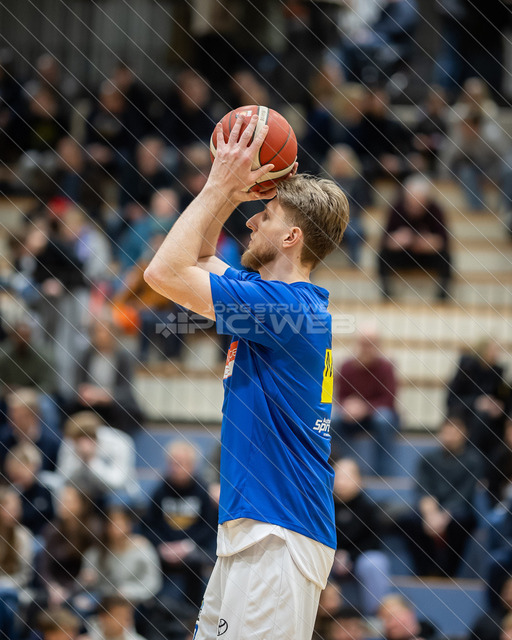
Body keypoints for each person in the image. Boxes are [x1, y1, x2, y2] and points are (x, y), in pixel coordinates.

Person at [143, 114, 349, 638]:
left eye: (267, 214)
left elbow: (163, 273)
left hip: (278, 533)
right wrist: (230, 192)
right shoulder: (280, 303)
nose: (251, 222)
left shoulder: (287, 310)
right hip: (259, 530)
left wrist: (219, 185)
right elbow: (200, 255)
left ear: (292, 237)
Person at [396, 415, 481, 577]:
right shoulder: (429, 458)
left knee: (460, 521)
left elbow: (465, 493)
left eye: (455, 431)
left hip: (457, 510)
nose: (450, 436)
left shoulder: (474, 460)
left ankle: (447, 572)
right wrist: (430, 514)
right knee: (407, 520)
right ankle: (424, 571)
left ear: (465, 433)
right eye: (446, 431)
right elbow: (423, 488)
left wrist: (444, 516)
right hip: (431, 508)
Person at [143, 441, 216, 608]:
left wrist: (186, 546)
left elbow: (208, 528)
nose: (176, 468)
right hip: (165, 548)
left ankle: (193, 610)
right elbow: (149, 525)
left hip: (194, 548)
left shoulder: (203, 491)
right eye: (172, 463)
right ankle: (154, 609)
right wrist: (162, 545)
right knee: (145, 556)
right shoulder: (160, 491)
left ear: (192, 465)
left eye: (181, 463)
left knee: (195, 560)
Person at [332, 327, 399, 475]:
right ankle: (340, 468)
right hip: (351, 417)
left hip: (377, 416)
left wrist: (364, 408)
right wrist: (347, 407)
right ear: (356, 344)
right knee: (333, 420)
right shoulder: (346, 367)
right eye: (364, 344)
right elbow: (340, 397)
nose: (367, 349)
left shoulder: (386, 367)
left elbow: (389, 399)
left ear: (378, 345)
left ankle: (382, 472)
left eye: (371, 344)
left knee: (383, 419)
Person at [331, 459, 392, 615]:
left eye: (347, 477)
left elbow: (374, 541)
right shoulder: (323, 505)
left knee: (374, 563)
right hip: (330, 558)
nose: (341, 482)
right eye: (338, 476)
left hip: (359, 559)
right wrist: (334, 555)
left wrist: (350, 556)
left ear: (359, 480)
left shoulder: (369, 508)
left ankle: (374, 617)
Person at [377, 174, 452, 301]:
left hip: (426, 256)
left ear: (426, 199)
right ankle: (387, 294)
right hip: (403, 254)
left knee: (446, 257)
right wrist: (398, 240)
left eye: (420, 202)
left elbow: (444, 241)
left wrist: (429, 243)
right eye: (412, 201)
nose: (415, 206)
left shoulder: (435, 210)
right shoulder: (396, 208)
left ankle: (442, 297)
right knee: (382, 256)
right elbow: (385, 240)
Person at [81, 505, 162, 606]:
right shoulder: (96, 552)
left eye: (119, 523)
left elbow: (153, 582)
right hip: (103, 599)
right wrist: (87, 579)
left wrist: (131, 591)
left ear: (129, 525)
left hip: (135, 601)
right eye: (112, 524)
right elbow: (84, 582)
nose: (116, 528)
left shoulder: (142, 548)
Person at [56, 411, 139, 505]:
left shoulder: (119, 441)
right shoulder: (70, 442)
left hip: (116, 492)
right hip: (85, 491)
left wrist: (91, 461)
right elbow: (63, 479)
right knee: (68, 495)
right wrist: (80, 460)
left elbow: (117, 482)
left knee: (116, 500)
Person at [446, 338, 508, 456]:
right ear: (483, 351)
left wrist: (499, 405)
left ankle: (498, 459)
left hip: (489, 416)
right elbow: (452, 400)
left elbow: (500, 396)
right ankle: (473, 456)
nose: (497, 354)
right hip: (466, 413)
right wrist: (477, 402)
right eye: (493, 350)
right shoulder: (467, 368)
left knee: (502, 417)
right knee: (482, 417)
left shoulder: (497, 371)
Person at [0, 485, 34, 640]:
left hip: (16, 588)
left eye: (16, 507)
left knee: (8, 602)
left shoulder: (24, 535)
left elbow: (26, 573)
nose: (13, 511)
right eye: (8, 507)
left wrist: (6, 585)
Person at [4, 442, 54, 536]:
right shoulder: (12, 493)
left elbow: (53, 519)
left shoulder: (47, 489)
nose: (24, 472)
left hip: (45, 537)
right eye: (20, 467)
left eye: (27, 466)